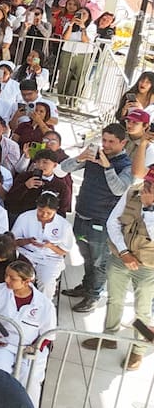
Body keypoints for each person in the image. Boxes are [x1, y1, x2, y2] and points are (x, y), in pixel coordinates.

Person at [82, 169, 154, 371]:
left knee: (143, 309)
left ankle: (139, 349)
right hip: (121, 258)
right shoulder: (133, 192)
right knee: (115, 299)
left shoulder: (146, 200)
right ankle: (109, 336)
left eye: (152, 185)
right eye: (148, 182)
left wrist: (149, 207)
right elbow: (112, 222)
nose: (147, 187)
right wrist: (123, 252)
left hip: (148, 267)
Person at [60, 123, 132, 311]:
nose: (106, 145)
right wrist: (80, 157)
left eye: (111, 142)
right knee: (86, 255)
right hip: (82, 216)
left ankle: (93, 296)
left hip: (102, 222)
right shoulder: (94, 156)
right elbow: (63, 168)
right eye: (104, 140)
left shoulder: (126, 165)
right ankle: (86, 286)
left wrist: (108, 167)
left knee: (99, 261)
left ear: (122, 142)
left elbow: (119, 189)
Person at [0, 258, 56, 408]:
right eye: (6, 275)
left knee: (30, 378)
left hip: (28, 348)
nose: (6, 280)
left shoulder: (44, 304)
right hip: (2, 343)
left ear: (26, 281)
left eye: (12, 278)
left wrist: (35, 347)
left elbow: (48, 334)